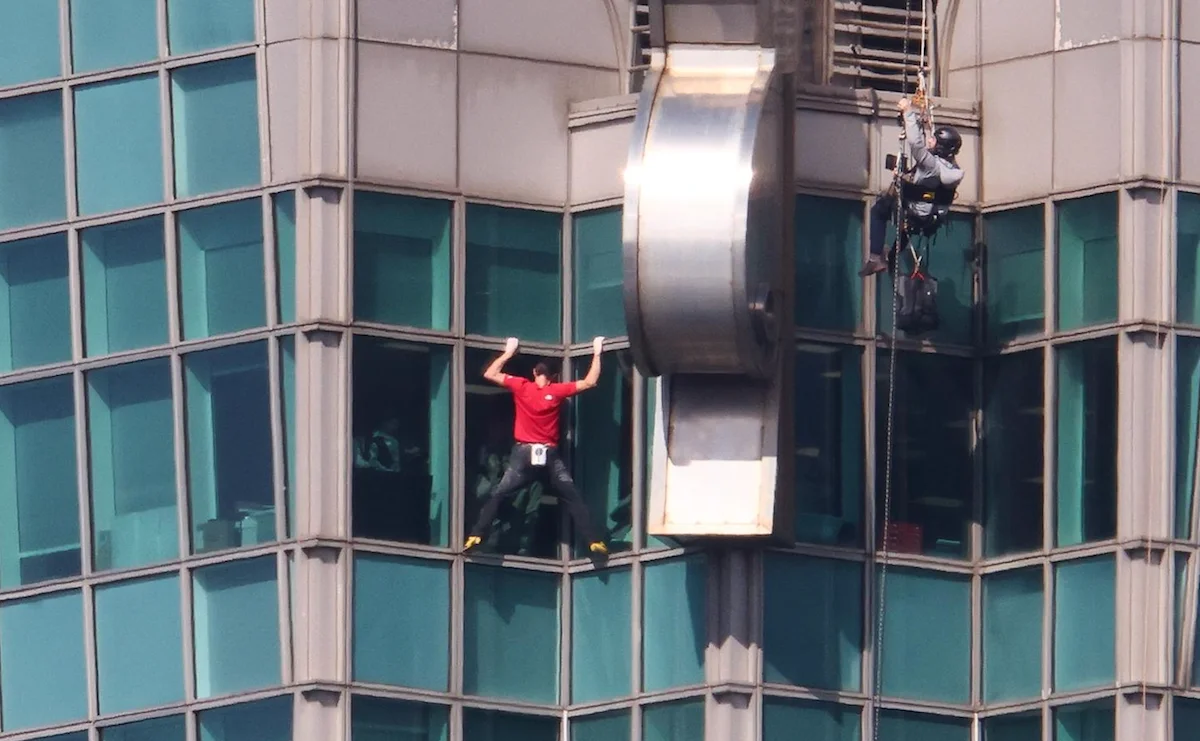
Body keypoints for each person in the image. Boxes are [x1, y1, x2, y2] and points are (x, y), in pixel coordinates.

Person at [464, 335, 610, 555]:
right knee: (572, 497)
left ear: (534, 373)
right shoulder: (557, 390)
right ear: (553, 377)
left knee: (499, 493)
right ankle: (594, 541)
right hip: (549, 455)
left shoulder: (522, 386)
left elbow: (489, 373)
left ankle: (476, 535)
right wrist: (597, 353)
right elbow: (590, 381)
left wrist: (508, 352)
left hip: (523, 454)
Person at [859, 97, 964, 278]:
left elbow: (916, 144)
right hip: (929, 216)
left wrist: (908, 112)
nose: (930, 141)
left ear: (940, 148)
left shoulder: (931, 165)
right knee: (905, 222)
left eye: (933, 140)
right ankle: (891, 257)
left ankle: (876, 257)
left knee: (878, 210)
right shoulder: (951, 168)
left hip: (916, 211)